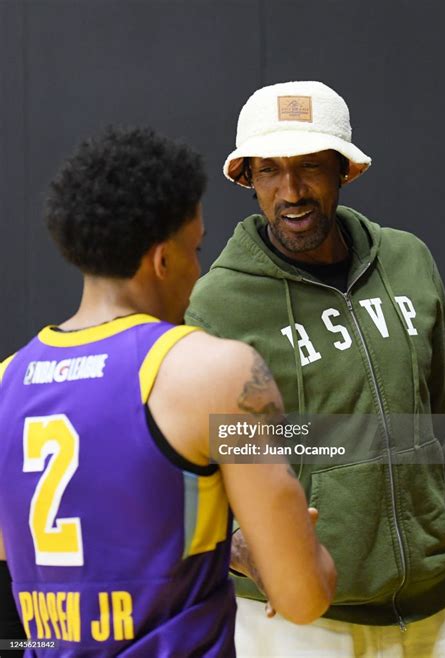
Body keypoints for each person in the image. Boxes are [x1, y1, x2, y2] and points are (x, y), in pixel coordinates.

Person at [0, 126, 337, 657]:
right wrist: (293, 549)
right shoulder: (214, 371)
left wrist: (230, 546)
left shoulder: (8, 380)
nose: (199, 268)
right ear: (163, 260)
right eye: (195, 248)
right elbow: (303, 597)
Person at [185, 81, 445, 657]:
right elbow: (191, 468)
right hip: (297, 625)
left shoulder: (408, 260)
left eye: (311, 167)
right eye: (269, 171)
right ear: (247, 179)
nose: (291, 192)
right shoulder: (217, 304)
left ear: (345, 170)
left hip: (431, 614)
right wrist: (239, 547)